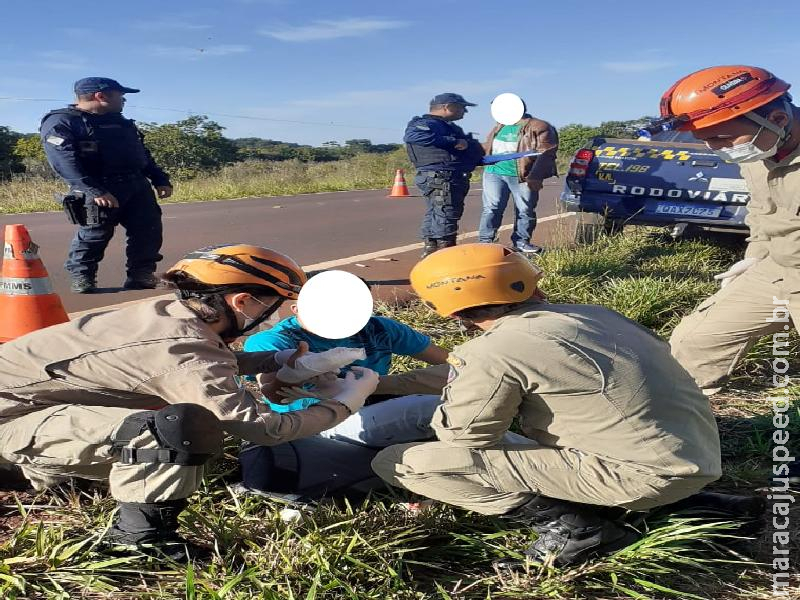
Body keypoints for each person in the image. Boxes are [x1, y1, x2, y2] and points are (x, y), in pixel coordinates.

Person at [0, 244, 379, 559]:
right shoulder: (182, 348)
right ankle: (139, 540)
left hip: (31, 406)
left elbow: (202, 360)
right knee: (175, 429)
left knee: (168, 416)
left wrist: (280, 361)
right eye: (274, 305)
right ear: (243, 301)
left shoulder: (171, 317)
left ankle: (43, 473)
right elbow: (264, 428)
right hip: (12, 419)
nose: (275, 316)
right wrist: (345, 402)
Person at [371, 243, 728, 566]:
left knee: (403, 462)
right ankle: (656, 505)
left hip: (642, 477)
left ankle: (579, 530)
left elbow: (466, 439)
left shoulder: (491, 351)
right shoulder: (592, 315)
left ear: (448, 311)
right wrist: (379, 384)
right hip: (692, 457)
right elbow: (472, 371)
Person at [658, 66, 800, 396]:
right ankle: (684, 432)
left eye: (721, 138)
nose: (715, 149)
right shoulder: (758, 147)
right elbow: (762, 210)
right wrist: (756, 255)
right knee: (695, 341)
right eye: (705, 139)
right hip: (777, 268)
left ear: (778, 119)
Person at [40, 77, 173, 293]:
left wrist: (159, 178)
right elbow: (64, 161)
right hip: (98, 188)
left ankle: (141, 275)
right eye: (120, 96)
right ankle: (82, 277)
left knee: (148, 232)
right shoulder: (61, 122)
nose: (123, 101)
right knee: (95, 235)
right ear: (100, 96)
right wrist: (94, 190)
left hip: (136, 186)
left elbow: (140, 154)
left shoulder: (120, 121)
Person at [404, 93, 485, 258]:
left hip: (449, 174)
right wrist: (453, 142)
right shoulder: (424, 124)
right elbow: (414, 136)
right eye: (462, 107)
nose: (465, 111)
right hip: (441, 176)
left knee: (437, 211)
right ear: (447, 107)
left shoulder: (447, 126)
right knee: (445, 212)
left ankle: (432, 250)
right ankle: (444, 254)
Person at [479, 101, 559, 254]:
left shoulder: (538, 126)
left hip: (522, 175)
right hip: (494, 172)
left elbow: (547, 152)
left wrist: (535, 177)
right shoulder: (499, 126)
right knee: (491, 208)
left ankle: (521, 241)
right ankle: (485, 243)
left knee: (525, 209)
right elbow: (489, 147)